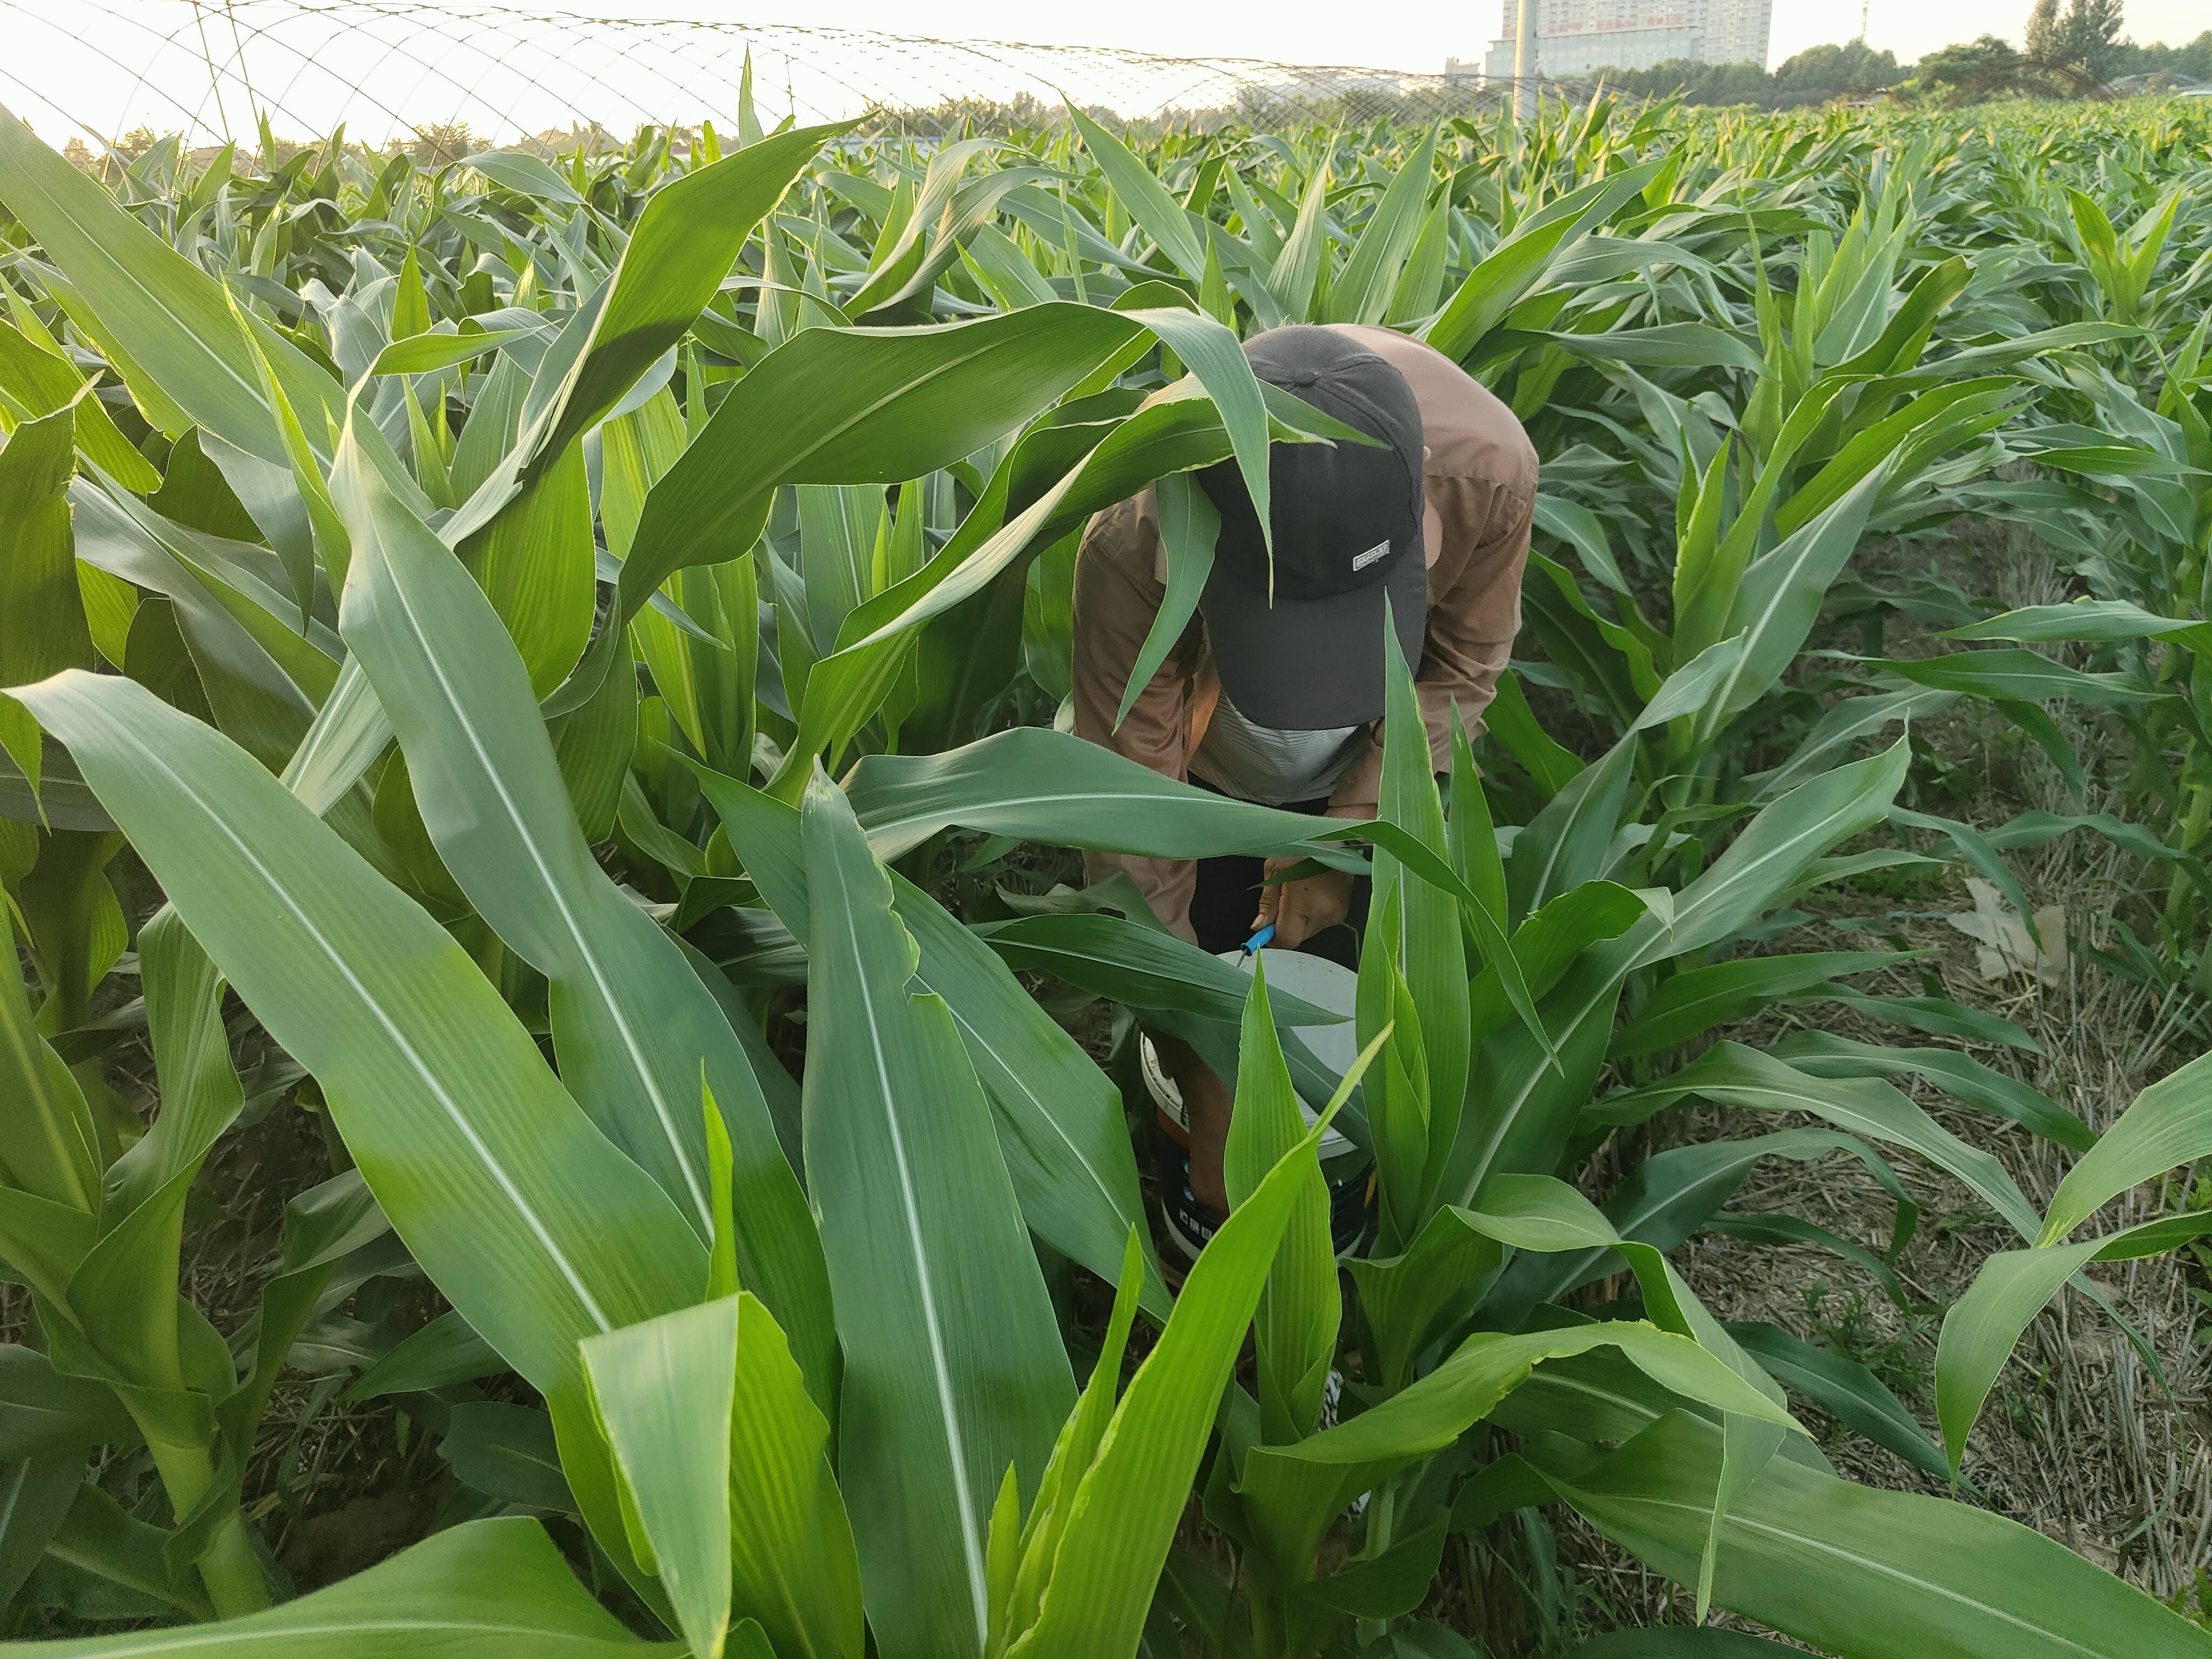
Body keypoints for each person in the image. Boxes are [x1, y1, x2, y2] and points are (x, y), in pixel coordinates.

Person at [1070, 322, 1536, 1250]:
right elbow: (1132, 798)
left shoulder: (1486, 475)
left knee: (1353, 983)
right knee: (1200, 972)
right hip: (1200, 781)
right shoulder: (1133, 532)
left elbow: (1461, 669)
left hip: (1371, 766)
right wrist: (1207, 1082)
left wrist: (1351, 833)